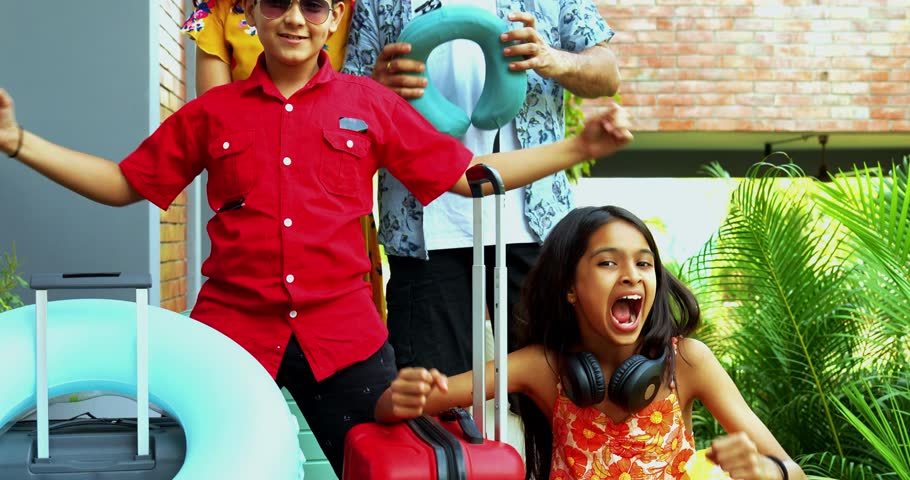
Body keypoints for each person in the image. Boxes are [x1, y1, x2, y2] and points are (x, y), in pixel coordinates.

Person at [0, 0, 632, 474]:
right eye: (277, 2)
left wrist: (577, 146)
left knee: (393, 466)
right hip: (230, 334)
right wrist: (19, 142)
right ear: (250, 14)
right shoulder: (211, 113)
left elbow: (467, 178)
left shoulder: (370, 103)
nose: (295, 17)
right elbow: (121, 182)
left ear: (333, 18)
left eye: (314, 4)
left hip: (346, 338)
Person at [374, 206, 808, 480]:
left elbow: (794, 470)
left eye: (644, 262)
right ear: (570, 288)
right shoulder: (543, 368)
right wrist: (403, 397)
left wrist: (766, 474)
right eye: (607, 262)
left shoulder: (689, 362)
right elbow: (394, 407)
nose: (631, 275)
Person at [343, 0, 622, 380]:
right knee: (435, 406)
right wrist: (375, 88)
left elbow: (608, 74)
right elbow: (346, 111)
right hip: (423, 236)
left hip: (536, 231)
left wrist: (553, 59)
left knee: (556, 394)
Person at [180, 0, 389, 324]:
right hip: (257, 193)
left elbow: (361, 100)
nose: (295, 19)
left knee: (345, 336)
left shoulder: (345, 6)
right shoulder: (218, 8)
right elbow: (215, 119)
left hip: (333, 198)